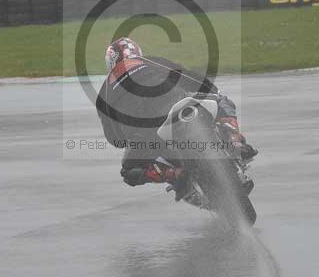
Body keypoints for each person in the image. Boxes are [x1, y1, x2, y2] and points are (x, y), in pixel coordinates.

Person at [95, 37, 256, 195]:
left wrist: (130, 135)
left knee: (128, 170)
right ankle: (235, 142)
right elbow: (186, 76)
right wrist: (211, 90)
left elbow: (114, 138)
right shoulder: (148, 61)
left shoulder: (104, 92)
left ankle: (173, 174)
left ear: (110, 63)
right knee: (221, 101)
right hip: (175, 103)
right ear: (136, 51)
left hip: (146, 133)